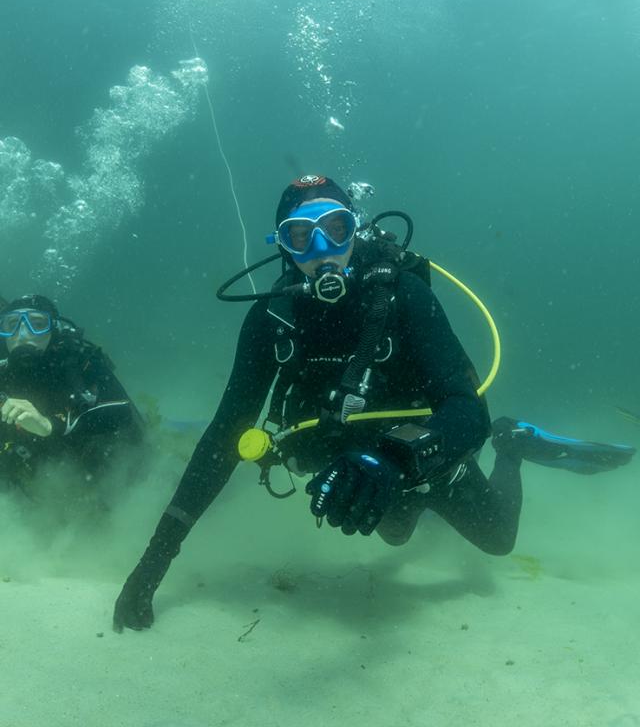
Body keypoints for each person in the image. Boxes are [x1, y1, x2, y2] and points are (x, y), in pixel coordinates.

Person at [113, 175, 635, 632]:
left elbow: (466, 410)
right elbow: (225, 435)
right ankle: (406, 503)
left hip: (420, 454)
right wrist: (154, 563)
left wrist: (398, 458)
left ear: (355, 229)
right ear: (285, 247)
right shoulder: (273, 319)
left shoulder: (402, 294)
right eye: (302, 236)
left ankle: (514, 445)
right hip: (349, 459)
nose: (322, 250)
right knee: (395, 531)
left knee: (498, 540)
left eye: (335, 229)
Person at [0, 294, 145, 497]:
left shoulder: (82, 363)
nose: (23, 334)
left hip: (92, 483)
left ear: (53, 329)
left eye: (37, 324)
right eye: (12, 324)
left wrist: (50, 425)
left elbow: (124, 415)